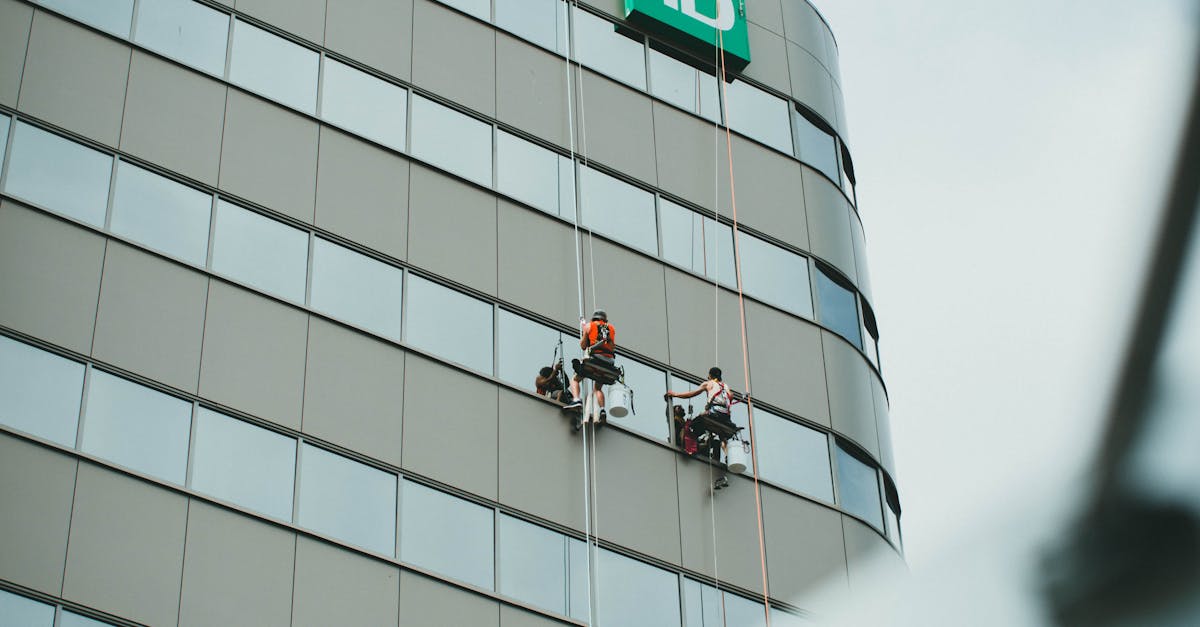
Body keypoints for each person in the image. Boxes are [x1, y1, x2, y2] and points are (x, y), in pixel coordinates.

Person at [665, 367, 739, 488]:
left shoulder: (708, 383)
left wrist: (676, 394)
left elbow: (692, 394)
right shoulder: (725, 386)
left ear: (710, 375)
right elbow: (731, 396)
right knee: (722, 436)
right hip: (726, 417)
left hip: (715, 413)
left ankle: (692, 445)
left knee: (694, 425)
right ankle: (728, 456)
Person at [563, 309, 616, 428]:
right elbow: (612, 347)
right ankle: (602, 410)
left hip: (595, 358)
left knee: (575, 379)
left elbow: (583, 346)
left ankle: (576, 400)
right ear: (605, 320)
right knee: (598, 388)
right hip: (609, 362)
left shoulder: (589, 325)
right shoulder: (611, 328)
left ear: (594, 318)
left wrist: (585, 332)